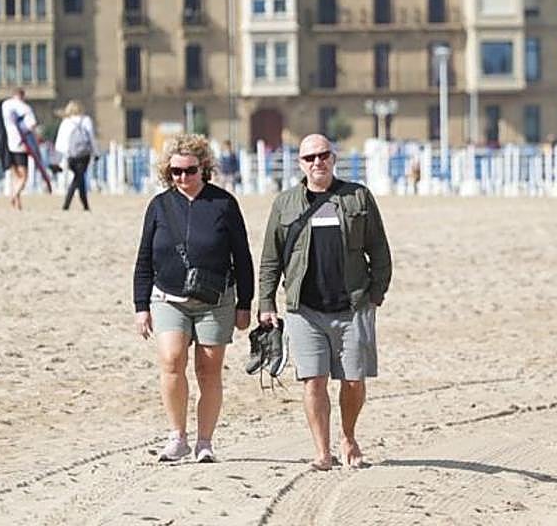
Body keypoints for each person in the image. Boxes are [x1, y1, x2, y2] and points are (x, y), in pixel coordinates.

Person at [258, 133, 392, 471]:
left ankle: (348, 436)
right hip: (304, 307)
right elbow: (270, 258)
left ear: (333, 158)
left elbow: (379, 249)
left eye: (323, 155)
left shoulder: (357, 196)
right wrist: (266, 302)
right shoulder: (285, 203)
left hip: (354, 304)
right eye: (309, 158)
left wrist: (376, 293)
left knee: (353, 380)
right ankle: (322, 451)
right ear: (300, 164)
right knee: (313, 379)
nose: (317, 162)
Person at [133, 133, 255, 463]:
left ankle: (205, 441)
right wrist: (141, 306)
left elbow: (242, 257)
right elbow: (144, 257)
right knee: (172, 360)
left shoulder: (223, 204)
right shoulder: (159, 206)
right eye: (176, 172)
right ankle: (177, 437)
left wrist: (246, 304)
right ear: (167, 173)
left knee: (209, 370)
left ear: (204, 168)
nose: (183, 177)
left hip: (216, 299)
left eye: (189, 170)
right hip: (168, 296)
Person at [54, 100, 97, 211]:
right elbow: (91, 137)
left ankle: (83, 205)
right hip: (84, 154)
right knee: (79, 178)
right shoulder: (86, 120)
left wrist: (58, 159)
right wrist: (95, 152)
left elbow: (60, 141)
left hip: (71, 155)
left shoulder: (66, 122)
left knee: (79, 177)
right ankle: (70, 204)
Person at [0, 88, 38, 211]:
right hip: (21, 144)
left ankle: (18, 204)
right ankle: (14, 195)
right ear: (23, 95)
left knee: (15, 175)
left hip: (7, 143)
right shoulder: (25, 108)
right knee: (24, 176)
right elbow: (32, 125)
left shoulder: (5, 105)